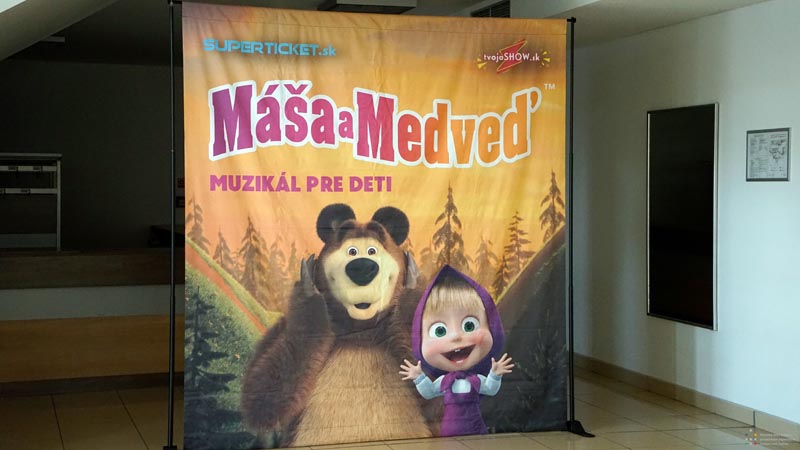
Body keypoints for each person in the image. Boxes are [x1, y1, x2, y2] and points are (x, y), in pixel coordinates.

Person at [399, 265, 513, 436]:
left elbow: (490, 389)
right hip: (450, 429)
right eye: (439, 331)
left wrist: (495, 374)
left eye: (469, 325)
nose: (455, 336)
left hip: (476, 427)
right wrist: (419, 377)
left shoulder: (476, 381)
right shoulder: (445, 382)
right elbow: (429, 393)